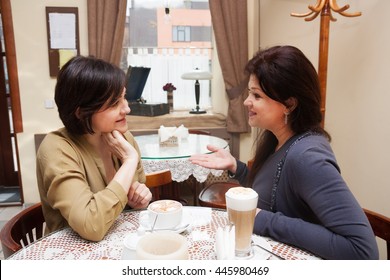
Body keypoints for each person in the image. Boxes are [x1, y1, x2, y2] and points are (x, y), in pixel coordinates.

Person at [190, 45, 378, 259]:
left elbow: (362, 251)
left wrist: (262, 220)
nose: (246, 101)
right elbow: (273, 192)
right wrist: (237, 167)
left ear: (289, 104)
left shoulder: (307, 158)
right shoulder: (278, 139)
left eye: (256, 95)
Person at [36, 56, 152, 242]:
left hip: (120, 244)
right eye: (114, 103)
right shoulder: (57, 148)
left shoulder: (123, 137)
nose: (127, 109)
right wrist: (130, 161)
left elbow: (133, 200)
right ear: (81, 112)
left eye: (124, 98)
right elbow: (92, 226)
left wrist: (139, 201)